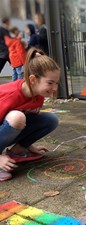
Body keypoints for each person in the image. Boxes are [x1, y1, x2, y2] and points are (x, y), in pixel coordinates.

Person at [0, 47, 60, 181]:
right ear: (33, 79)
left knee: (51, 119)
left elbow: (29, 119)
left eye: (56, 83)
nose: (55, 88)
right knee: (17, 118)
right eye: (50, 83)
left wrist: (28, 144)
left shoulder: (38, 93)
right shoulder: (10, 95)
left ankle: (18, 151)